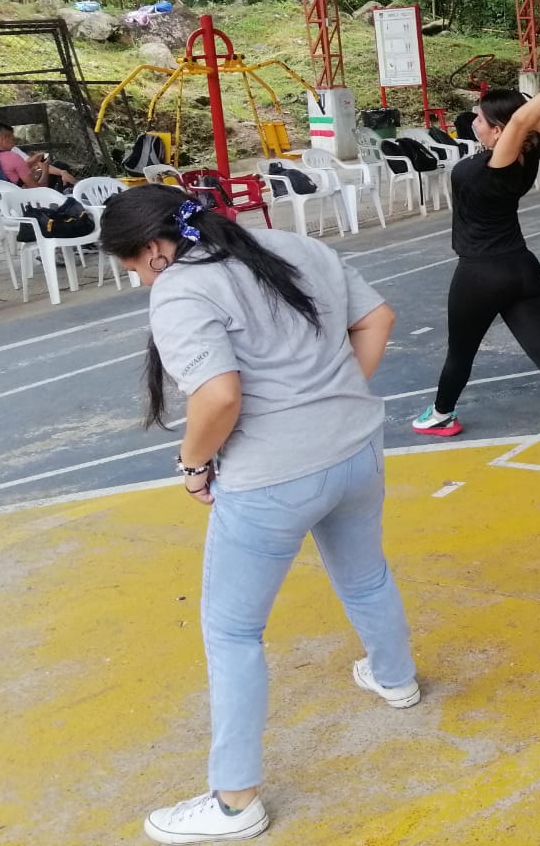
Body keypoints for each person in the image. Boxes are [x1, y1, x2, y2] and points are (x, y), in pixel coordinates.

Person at [98, 184, 415, 846]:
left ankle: (235, 802)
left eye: (132, 266)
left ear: (154, 248)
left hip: (272, 477)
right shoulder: (288, 245)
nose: (137, 279)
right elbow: (378, 318)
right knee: (363, 573)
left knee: (234, 633)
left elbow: (218, 396)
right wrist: (332, 401)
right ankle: (396, 678)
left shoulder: (181, 288)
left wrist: (194, 464)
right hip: (357, 447)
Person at [410, 57, 540, 455]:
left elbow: (522, 122)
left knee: (460, 353)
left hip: (480, 275)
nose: (473, 121)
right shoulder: (527, 155)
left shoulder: (498, 160)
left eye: (479, 118)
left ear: (497, 131)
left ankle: (442, 414)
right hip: (522, 270)